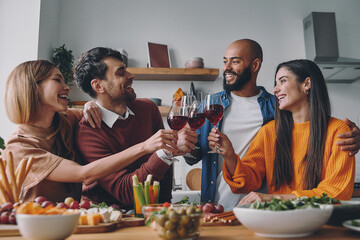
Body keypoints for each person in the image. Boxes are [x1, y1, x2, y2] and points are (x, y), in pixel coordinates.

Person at [185, 39, 360, 211]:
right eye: (276, 83)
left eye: (282, 81)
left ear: (307, 84)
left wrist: (272, 198)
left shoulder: (338, 131)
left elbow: (336, 193)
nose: (275, 89)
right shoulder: (270, 131)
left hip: (315, 224)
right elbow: (249, 179)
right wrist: (229, 155)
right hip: (271, 219)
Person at [3, 60, 168, 203]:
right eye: (57, 80)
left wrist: (91, 104)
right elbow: (84, 174)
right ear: (32, 88)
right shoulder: (20, 146)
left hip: (69, 222)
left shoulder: (66, 121)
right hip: (35, 227)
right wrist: (144, 147)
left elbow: (99, 107)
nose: (66, 87)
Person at [73, 47, 198, 209]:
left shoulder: (148, 108)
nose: (131, 76)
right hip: (108, 218)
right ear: (98, 86)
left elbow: (164, 176)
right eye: (120, 73)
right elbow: (126, 192)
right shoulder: (88, 131)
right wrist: (166, 151)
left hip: (152, 212)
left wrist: (163, 207)